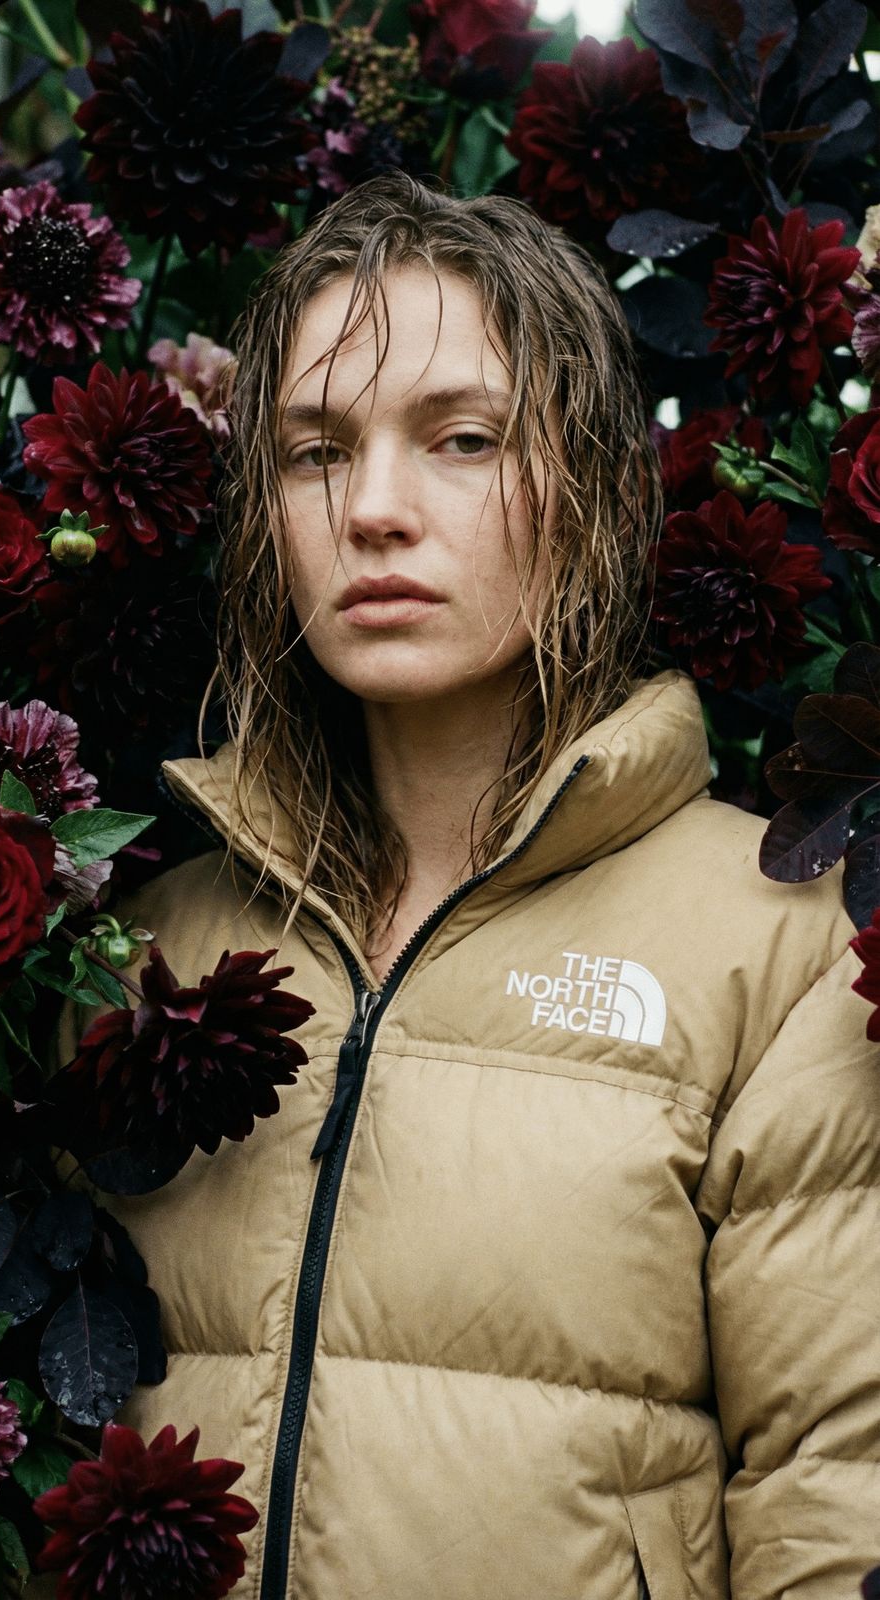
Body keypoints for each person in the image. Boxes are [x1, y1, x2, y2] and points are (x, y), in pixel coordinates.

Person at [59, 173, 879, 1599]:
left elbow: (834, 1492)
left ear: (607, 491)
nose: (373, 509)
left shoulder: (781, 950)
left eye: (461, 438)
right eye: (316, 452)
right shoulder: (142, 945)